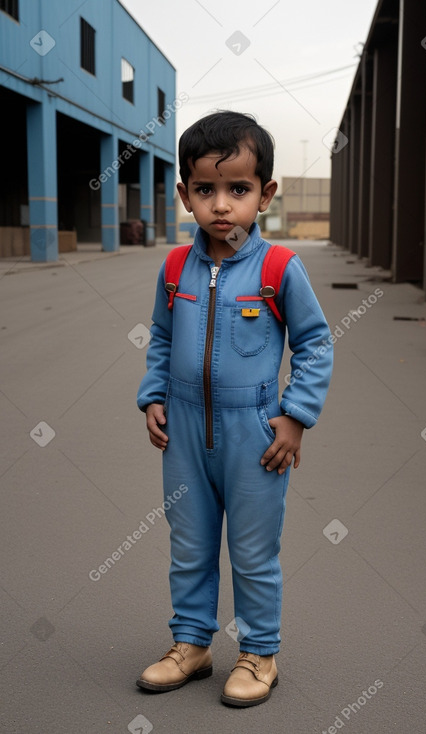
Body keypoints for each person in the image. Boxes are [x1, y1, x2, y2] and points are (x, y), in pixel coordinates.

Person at [136, 110, 333, 707]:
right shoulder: (175, 269)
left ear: (265, 194)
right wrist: (152, 396)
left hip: (256, 435)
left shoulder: (279, 268)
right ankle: (192, 644)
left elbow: (316, 342)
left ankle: (259, 652)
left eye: (238, 189)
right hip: (185, 431)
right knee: (189, 544)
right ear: (185, 195)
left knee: (252, 550)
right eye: (206, 189)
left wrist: (295, 415)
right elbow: (163, 338)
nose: (222, 205)